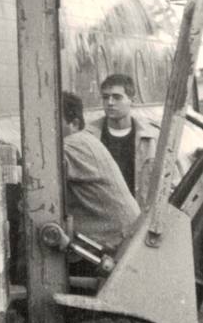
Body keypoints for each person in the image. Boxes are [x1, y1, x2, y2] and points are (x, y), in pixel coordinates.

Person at [62, 91, 140, 252]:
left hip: (114, 246)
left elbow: (34, 176)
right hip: (124, 238)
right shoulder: (87, 139)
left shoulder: (72, 145)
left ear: (74, 124)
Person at [90, 73, 157, 207]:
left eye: (117, 97)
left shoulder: (150, 139)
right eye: (105, 97)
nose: (110, 103)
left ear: (133, 100)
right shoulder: (89, 136)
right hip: (102, 217)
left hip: (138, 216)